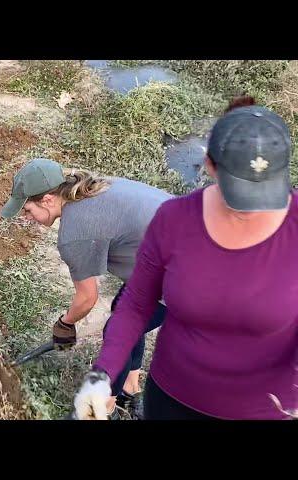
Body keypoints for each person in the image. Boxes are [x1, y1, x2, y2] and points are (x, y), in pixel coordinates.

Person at [74, 97, 298, 420]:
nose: (254, 209)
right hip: (173, 401)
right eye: (241, 194)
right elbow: (137, 304)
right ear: (209, 165)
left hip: (265, 411)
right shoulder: (174, 220)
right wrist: (102, 374)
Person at [1, 157, 172, 419]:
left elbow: (87, 298)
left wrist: (65, 324)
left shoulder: (75, 233)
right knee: (123, 310)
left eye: (27, 211)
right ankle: (130, 388)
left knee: (118, 330)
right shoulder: (91, 187)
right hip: (181, 242)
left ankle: (103, 408)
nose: (26, 219)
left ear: (47, 199)